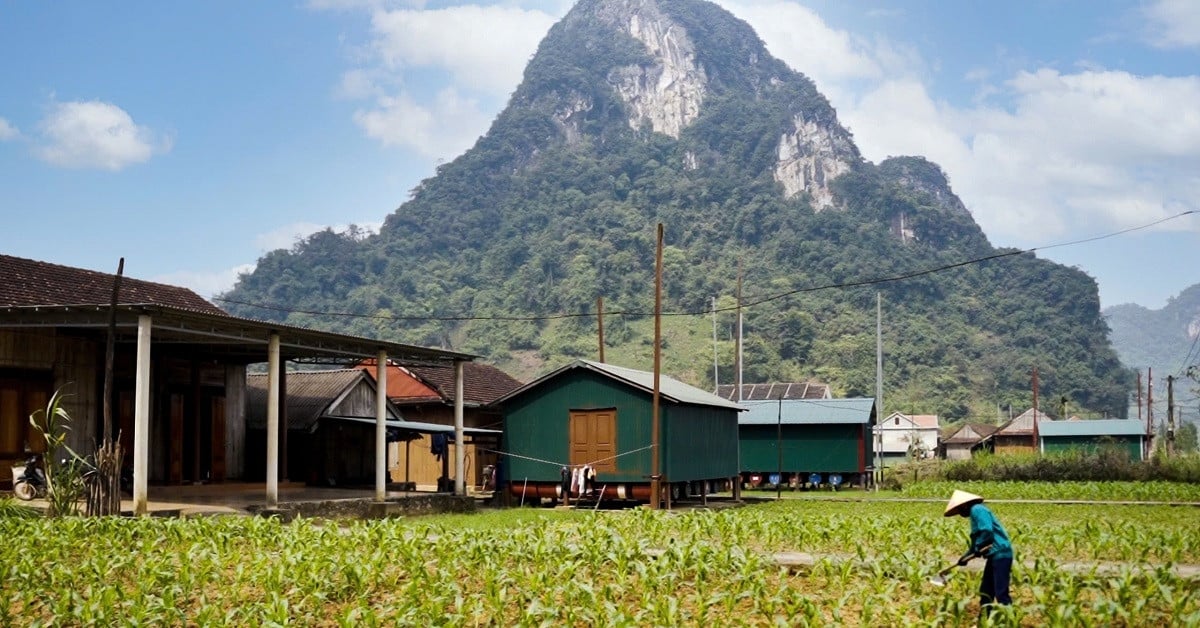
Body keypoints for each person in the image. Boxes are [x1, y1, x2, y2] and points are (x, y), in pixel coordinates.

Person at [944, 489, 1013, 607]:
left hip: (1001, 553)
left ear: (964, 505)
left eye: (959, 509)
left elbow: (986, 530)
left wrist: (978, 547)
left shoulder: (977, 509)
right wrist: (964, 558)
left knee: (1000, 592)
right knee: (986, 591)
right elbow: (976, 542)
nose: (960, 514)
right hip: (994, 555)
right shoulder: (974, 513)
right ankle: (984, 620)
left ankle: (1010, 619)